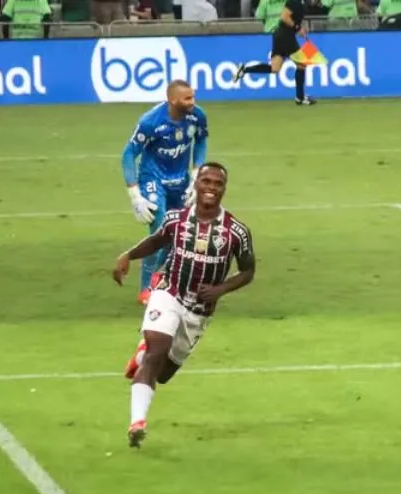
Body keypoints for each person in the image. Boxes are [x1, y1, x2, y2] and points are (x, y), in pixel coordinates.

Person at [112, 163, 256, 448]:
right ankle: (137, 422)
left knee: (163, 373)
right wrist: (127, 256)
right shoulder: (176, 219)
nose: (211, 188)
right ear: (197, 185)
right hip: (169, 292)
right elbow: (156, 241)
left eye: (217, 183)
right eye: (206, 181)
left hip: (198, 311)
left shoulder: (236, 232)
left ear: (224, 189)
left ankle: (142, 357)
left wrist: (220, 289)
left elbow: (248, 271)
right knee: (157, 352)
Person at [121, 80, 209, 305]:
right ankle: (146, 287)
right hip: (153, 178)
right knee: (160, 226)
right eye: (187, 98)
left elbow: (201, 141)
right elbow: (129, 153)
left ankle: (161, 273)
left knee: (179, 232)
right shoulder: (151, 122)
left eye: (193, 97)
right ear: (172, 100)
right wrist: (134, 195)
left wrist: (197, 174)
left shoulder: (197, 116)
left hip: (181, 181)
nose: (193, 102)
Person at [233, 0, 317, 106]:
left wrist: (299, 29)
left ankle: (244, 70)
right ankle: (300, 97)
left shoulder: (301, 2)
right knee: (302, 64)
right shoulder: (294, 1)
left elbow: (294, 19)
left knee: (274, 68)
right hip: (285, 36)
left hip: (280, 35)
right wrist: (298, 28)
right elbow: (285, 17)